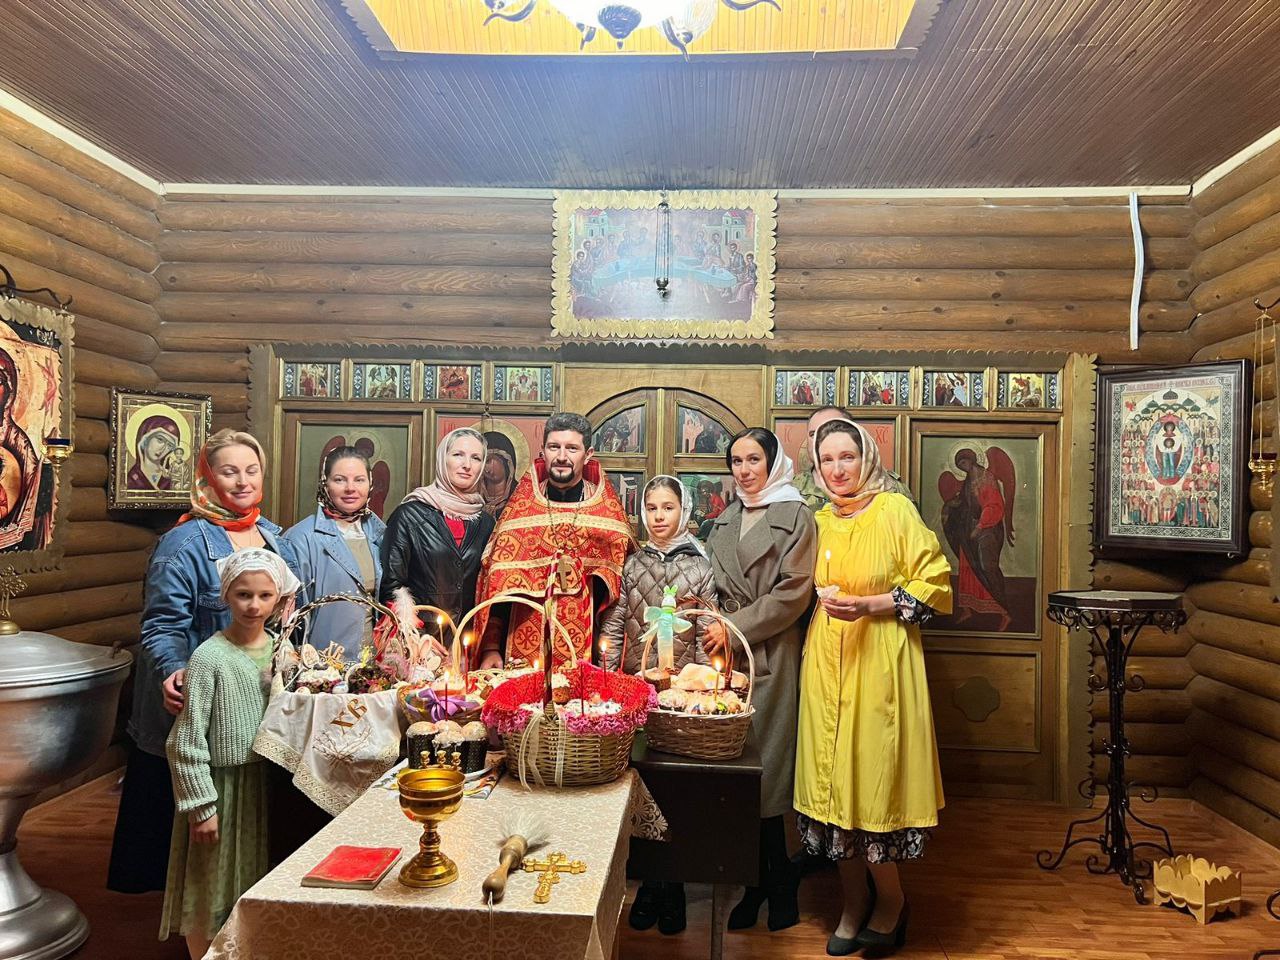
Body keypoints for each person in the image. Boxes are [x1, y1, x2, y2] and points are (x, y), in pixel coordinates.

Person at [109, 430, 302, 895]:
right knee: (193, 826)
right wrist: (174, 671)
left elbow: (288, 618)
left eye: (251, 471)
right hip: (204, 697)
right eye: (229, 472)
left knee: (248, 811)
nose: (242, 481)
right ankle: (194, 909)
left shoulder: (276, 538)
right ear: (207, 477)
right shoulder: (183, 543)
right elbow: (162, 625)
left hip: (256, 698)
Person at [796, 419, 951, 957]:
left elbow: (935, 584)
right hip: (825, 660)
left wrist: (870, 604)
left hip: (881, 658)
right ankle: (852, 900)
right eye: (828, 459)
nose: (838, 469)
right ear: (816, 466)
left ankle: (891, 901)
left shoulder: (894, 511)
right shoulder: (817, 520)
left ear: (866, 458)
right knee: (830, 781)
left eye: (847, 456)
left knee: (872, 780)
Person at [161, 548, 301, 960]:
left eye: (264, 595)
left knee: (255, 878)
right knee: (211, 882)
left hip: (265, 783)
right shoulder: (209, 658)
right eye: (243, 594)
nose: (254, 605)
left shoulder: (283, 651)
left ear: (278, 598)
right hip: (223, 789)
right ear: (225, 595)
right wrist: (200, 806)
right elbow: (185, 739)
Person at [702, 428, 816, 933]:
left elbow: (794, 592)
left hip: (771, 649)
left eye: (754, 459)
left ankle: (780, 880)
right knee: (737, 769)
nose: (745, 470)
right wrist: (713, 627)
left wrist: (736, 627)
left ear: (773, 462)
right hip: (725, 654)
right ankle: (756, 880)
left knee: (769, 766)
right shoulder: (725, 518)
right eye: (736, 461)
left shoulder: (796, 515)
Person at [602, 476, 717, 936]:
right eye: (651, 508)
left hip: (682, 691)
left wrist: (702, 683)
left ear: (683, 512)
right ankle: (649, 882)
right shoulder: (634, 564)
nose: (658, 516)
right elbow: (616, 622)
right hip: (639, 684)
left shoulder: (700, 566)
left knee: (676, 785)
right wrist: (609, 675)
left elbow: (707, 625)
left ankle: (675, 885)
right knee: (642, 779)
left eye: (668, 508)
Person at [474, 413, 634, 669]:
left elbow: (621, 595)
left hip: (589, 655)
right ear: (543, 452)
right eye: (554, 447)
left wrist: (609, 660)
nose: (561, 456)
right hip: (520, 648)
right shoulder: (520, 512)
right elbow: (496, 585)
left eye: (572, 448)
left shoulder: (606, 513)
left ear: (588, 454)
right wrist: (491, 648)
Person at [379, 428, 495, 642]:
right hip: (421, 644)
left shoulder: (486, 523)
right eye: (458, 454)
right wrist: (419, 640)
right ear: (443, 458)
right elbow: (392, 587)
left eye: (476, 458)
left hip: (469, 644)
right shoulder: (409, 516)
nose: (467, 465)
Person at [285, 446, 386, 658]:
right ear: (325, 484)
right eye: (339, 480)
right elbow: (291, 621)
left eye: (359, 480)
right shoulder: (301, 539)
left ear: (370, 483)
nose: (350, 488)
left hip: (375, 664)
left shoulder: (380, 534)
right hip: (325, 666)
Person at [126, 414, 182, 491]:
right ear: (145, 438)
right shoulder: (132, 478)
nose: (163, 448)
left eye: (169, 445)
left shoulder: (169, 478)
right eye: (160, 439)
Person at [481, 431, 519, 519]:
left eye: (488, 461)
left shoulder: (520, 497)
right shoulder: (473, 500)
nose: (485, 469)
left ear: (507, 461)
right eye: (480, 462)